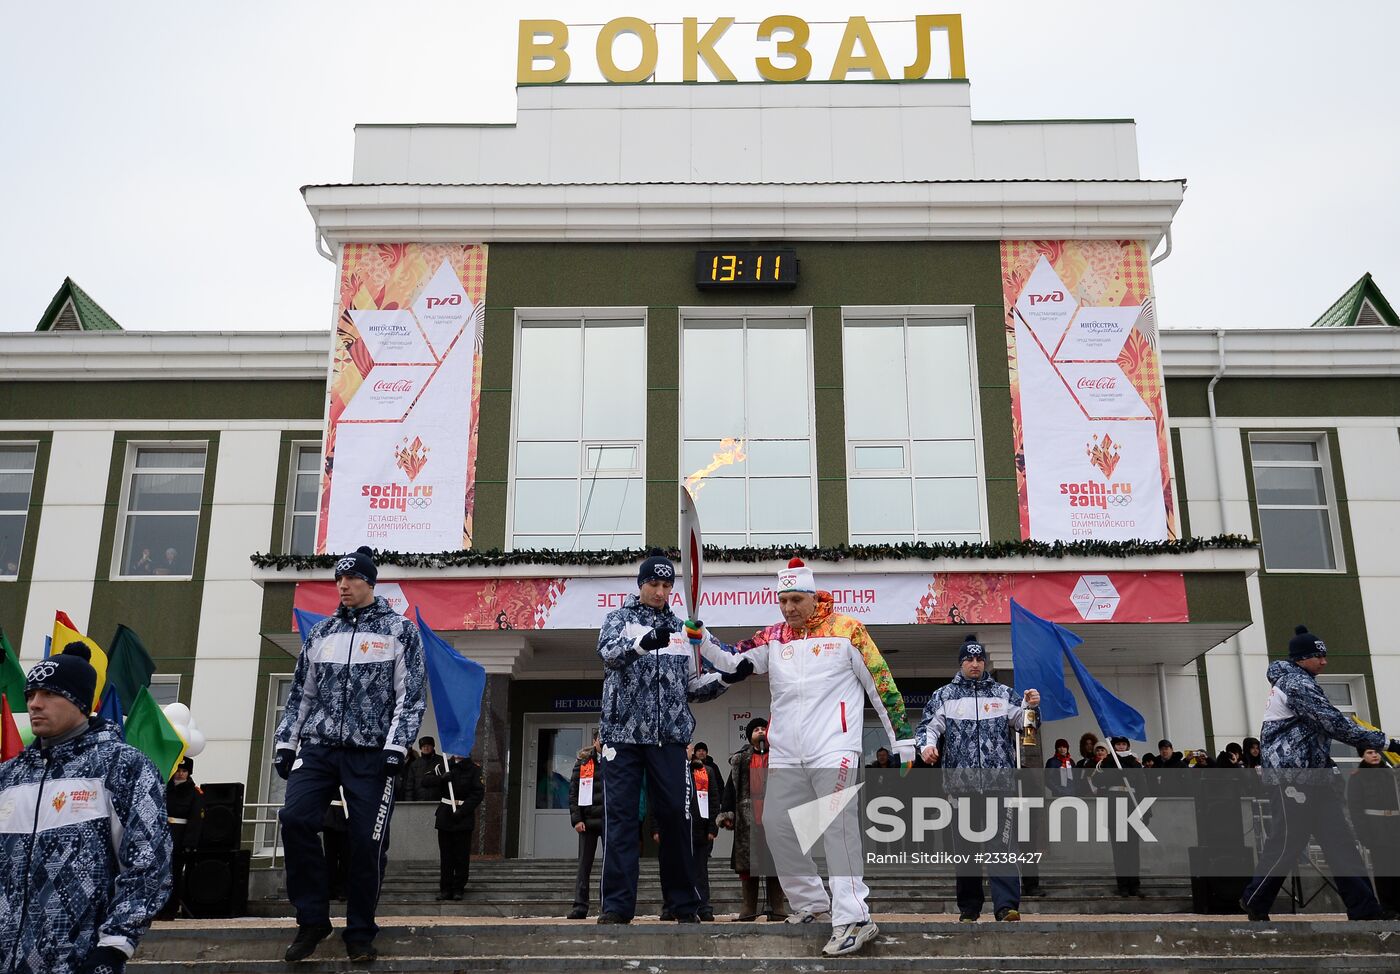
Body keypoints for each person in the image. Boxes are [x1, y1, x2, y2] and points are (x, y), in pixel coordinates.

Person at [697, 558, 915, 957]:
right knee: (777, 824)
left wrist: (902, 739)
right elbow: (733, 660)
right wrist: (704, 640)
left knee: (836, 824)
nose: (788, 608)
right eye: (783, 600)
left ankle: (854, 916)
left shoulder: (847, 630)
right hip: (787, 751)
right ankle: (812, 903)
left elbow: (881, 682)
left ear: (814, 597)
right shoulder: (774, 637)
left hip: (834, 746)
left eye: (796, 599)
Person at [273, 545, 427, 962]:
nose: (343, 585)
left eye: (352, 578)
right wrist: (286, 744)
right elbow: (300, 696)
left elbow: (410, 696)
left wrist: (396, 747)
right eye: (338, 579)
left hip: (371, 754)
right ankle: (312, 920)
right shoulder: (322, 633)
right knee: (295, 819)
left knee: (366, 842)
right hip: (319, 748)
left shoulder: (399, 631)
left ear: (370, 582)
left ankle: (359, 932)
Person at [0, 646, 171, 974]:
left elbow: (149, 863)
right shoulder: (9, 776)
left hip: (78, 963)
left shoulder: (122, 767)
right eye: (31, 694)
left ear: (79, 701)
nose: (34, 704)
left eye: (49, 694)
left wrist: (115, 945)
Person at [595, 554, 745, 926]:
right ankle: (616, 906)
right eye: (654, 584)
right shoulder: (619, 619)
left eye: (666, 586)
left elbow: (692, 687)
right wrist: (643, 644)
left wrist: (726, 679)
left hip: (670, 738)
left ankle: (682, 903)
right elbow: (609, 655)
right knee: (622, 820)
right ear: (640, 584)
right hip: (623, 736)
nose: (660, 592)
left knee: (677, 818)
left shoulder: (682, 629)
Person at [1239, 625, 1400, 922]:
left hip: (1316, 778)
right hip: (1291, 777)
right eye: (1318, 656)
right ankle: (1255, 899)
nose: (1324, 661)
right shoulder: (1296, 684)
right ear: (1301, 658)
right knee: (1288, 841)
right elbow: (1334, 723)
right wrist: (1386, 742)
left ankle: (1365, 910)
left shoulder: (1302, 682)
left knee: (1340, 842)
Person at [917, 634, 1041, 923]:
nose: (975, 664)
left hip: (1000, 784)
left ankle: (1006, 907)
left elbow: (1027, 727)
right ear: (961, 663)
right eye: (969, 659)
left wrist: (1031, 707)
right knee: (966, 849)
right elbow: (927, 728)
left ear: (984, 662)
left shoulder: (1003, 693)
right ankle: (969, 909)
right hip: (961, 785)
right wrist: (927, 747)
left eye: (979, 659)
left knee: (1002, 846)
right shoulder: (944, 695)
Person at [717, 717, 787, 921]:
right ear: (749, 736)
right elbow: (730, 789)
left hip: (775, 816)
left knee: (775, 864)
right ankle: (748, 909)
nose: (761, 731)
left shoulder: (780, 757)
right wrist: (727, 813)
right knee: (748, 866)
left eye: (763, 728)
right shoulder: (740, 760)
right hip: (748, 819)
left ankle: (778, 908)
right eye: (756, 729)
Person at [1089, 737, 1144, 896]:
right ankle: (1123, 885)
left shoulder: (1134, 763)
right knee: (1120, 850)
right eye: (1118, 744)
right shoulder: (1107, 762)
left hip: (1132, 806)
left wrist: (1145, 811)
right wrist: (1114, 774)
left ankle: (1134, 884)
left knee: (1133, 849)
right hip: (1115, 805)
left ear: (1128, 745)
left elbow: (1142, 786)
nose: (1121, 747)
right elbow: (1096, 780)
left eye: (1123, 744)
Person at [1347, 747, 1400, 913]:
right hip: (1376, 829)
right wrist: (1364, 834)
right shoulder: (1357, 777)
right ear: (1362, 755)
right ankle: (1388, 907)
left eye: (1376, 752)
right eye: (1369, 752)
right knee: (1383, 869)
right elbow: (1355, 808)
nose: (1374, 755)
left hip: (1395, 826)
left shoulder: (1391, 773)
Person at [432, 753, 485, 901]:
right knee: (446, 856)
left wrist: (463, 811)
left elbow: (478, 793)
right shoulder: (444, 765)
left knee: (461, 856)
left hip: (463, 817)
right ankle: (445, 889)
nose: (458, 753)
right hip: (445, 816)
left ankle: (458, 888)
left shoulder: (474, 769)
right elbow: (425, 781)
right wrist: (441, 779)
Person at [158, 757, 205, 920]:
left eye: (184, 771)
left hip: (179, 837)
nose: (180, 774)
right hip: (162, 835)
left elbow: (195, 820)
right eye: (178, 770)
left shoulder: (195, 793)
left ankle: (170, 909)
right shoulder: (164, 788)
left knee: (175, 875)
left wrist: (189, 843)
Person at [567, 733, 607, 919]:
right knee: (584, 866)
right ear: (594, 741)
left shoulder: (614, 760)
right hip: (588, 822)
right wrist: (577, 819)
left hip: (608, 822)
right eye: (600, 740)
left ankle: (608, 905)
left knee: (610, 866)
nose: (603, 743)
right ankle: (580, 906)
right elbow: (573, 793)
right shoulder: (583, 762)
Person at [688, 743, 723, 921]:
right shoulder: (674, 771)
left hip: (701, 829)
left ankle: (704, 907)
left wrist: (712, 827)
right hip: (680, 829)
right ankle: (675, 906)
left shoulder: (707, 771)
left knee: (701, 871)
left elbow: (714, 800)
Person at [409, 737, 446, 803]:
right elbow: (409, 786)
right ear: (420, 748)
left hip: (439, 800)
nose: (426, 748)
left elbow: (445, 781)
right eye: (423, 746)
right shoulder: (414, 764)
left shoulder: (442, 761)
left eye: (428, 746)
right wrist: (409, 802)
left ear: (433, 746)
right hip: (419, 801)